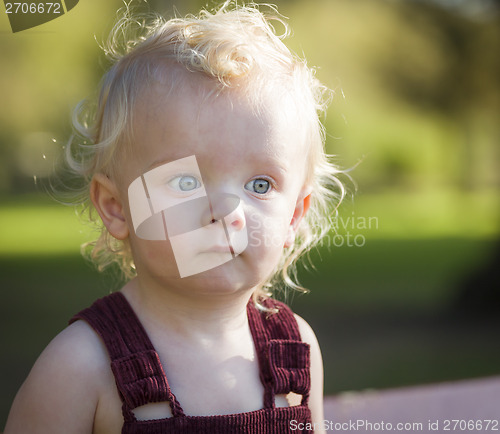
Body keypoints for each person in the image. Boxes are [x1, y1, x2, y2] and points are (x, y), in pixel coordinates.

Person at [5, 2, 345, 433]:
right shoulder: (82, 366)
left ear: (295, 214)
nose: (225, 211)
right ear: (116, 207)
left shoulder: (295, 349)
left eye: (260, 185)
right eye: (185, 182)